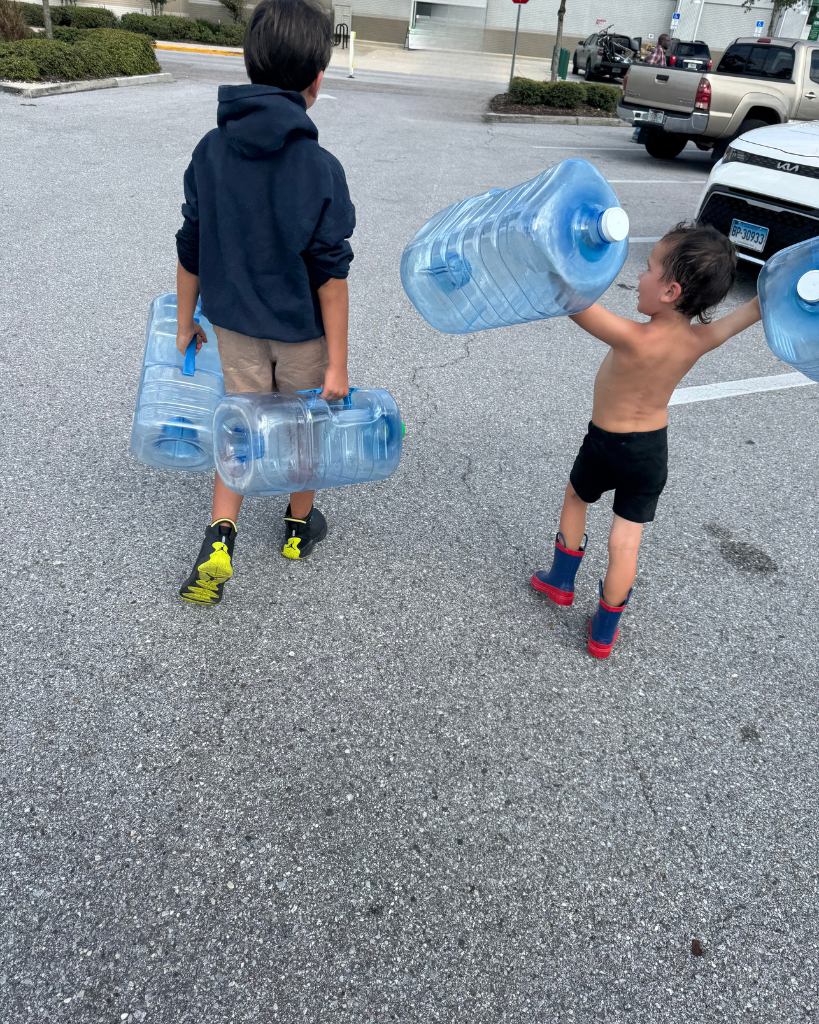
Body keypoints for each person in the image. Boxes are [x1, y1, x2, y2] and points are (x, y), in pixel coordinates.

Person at [174, 0, 356, 605]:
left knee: (241, 425)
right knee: (304, 430)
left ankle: (218, 539)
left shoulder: (210, 151)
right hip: (302, 332)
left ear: (250, 67)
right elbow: (331, 277)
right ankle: (298, 531)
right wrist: (338, 363)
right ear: (317, 79)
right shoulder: (319, 167)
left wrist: (184, 322)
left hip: (236, 329)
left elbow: (191, 243)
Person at [531, 224, 761, 658]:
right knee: (626, 541)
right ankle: (603, 632)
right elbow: (752, 311)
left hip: (604, 444)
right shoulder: (698, 340)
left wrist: (551, 259)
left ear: (671, 291)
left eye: (649, 268)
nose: (638, 276)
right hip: (651, 453)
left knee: (577, 498)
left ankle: (560, 582)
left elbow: (571, 301)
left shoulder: (632, 336)